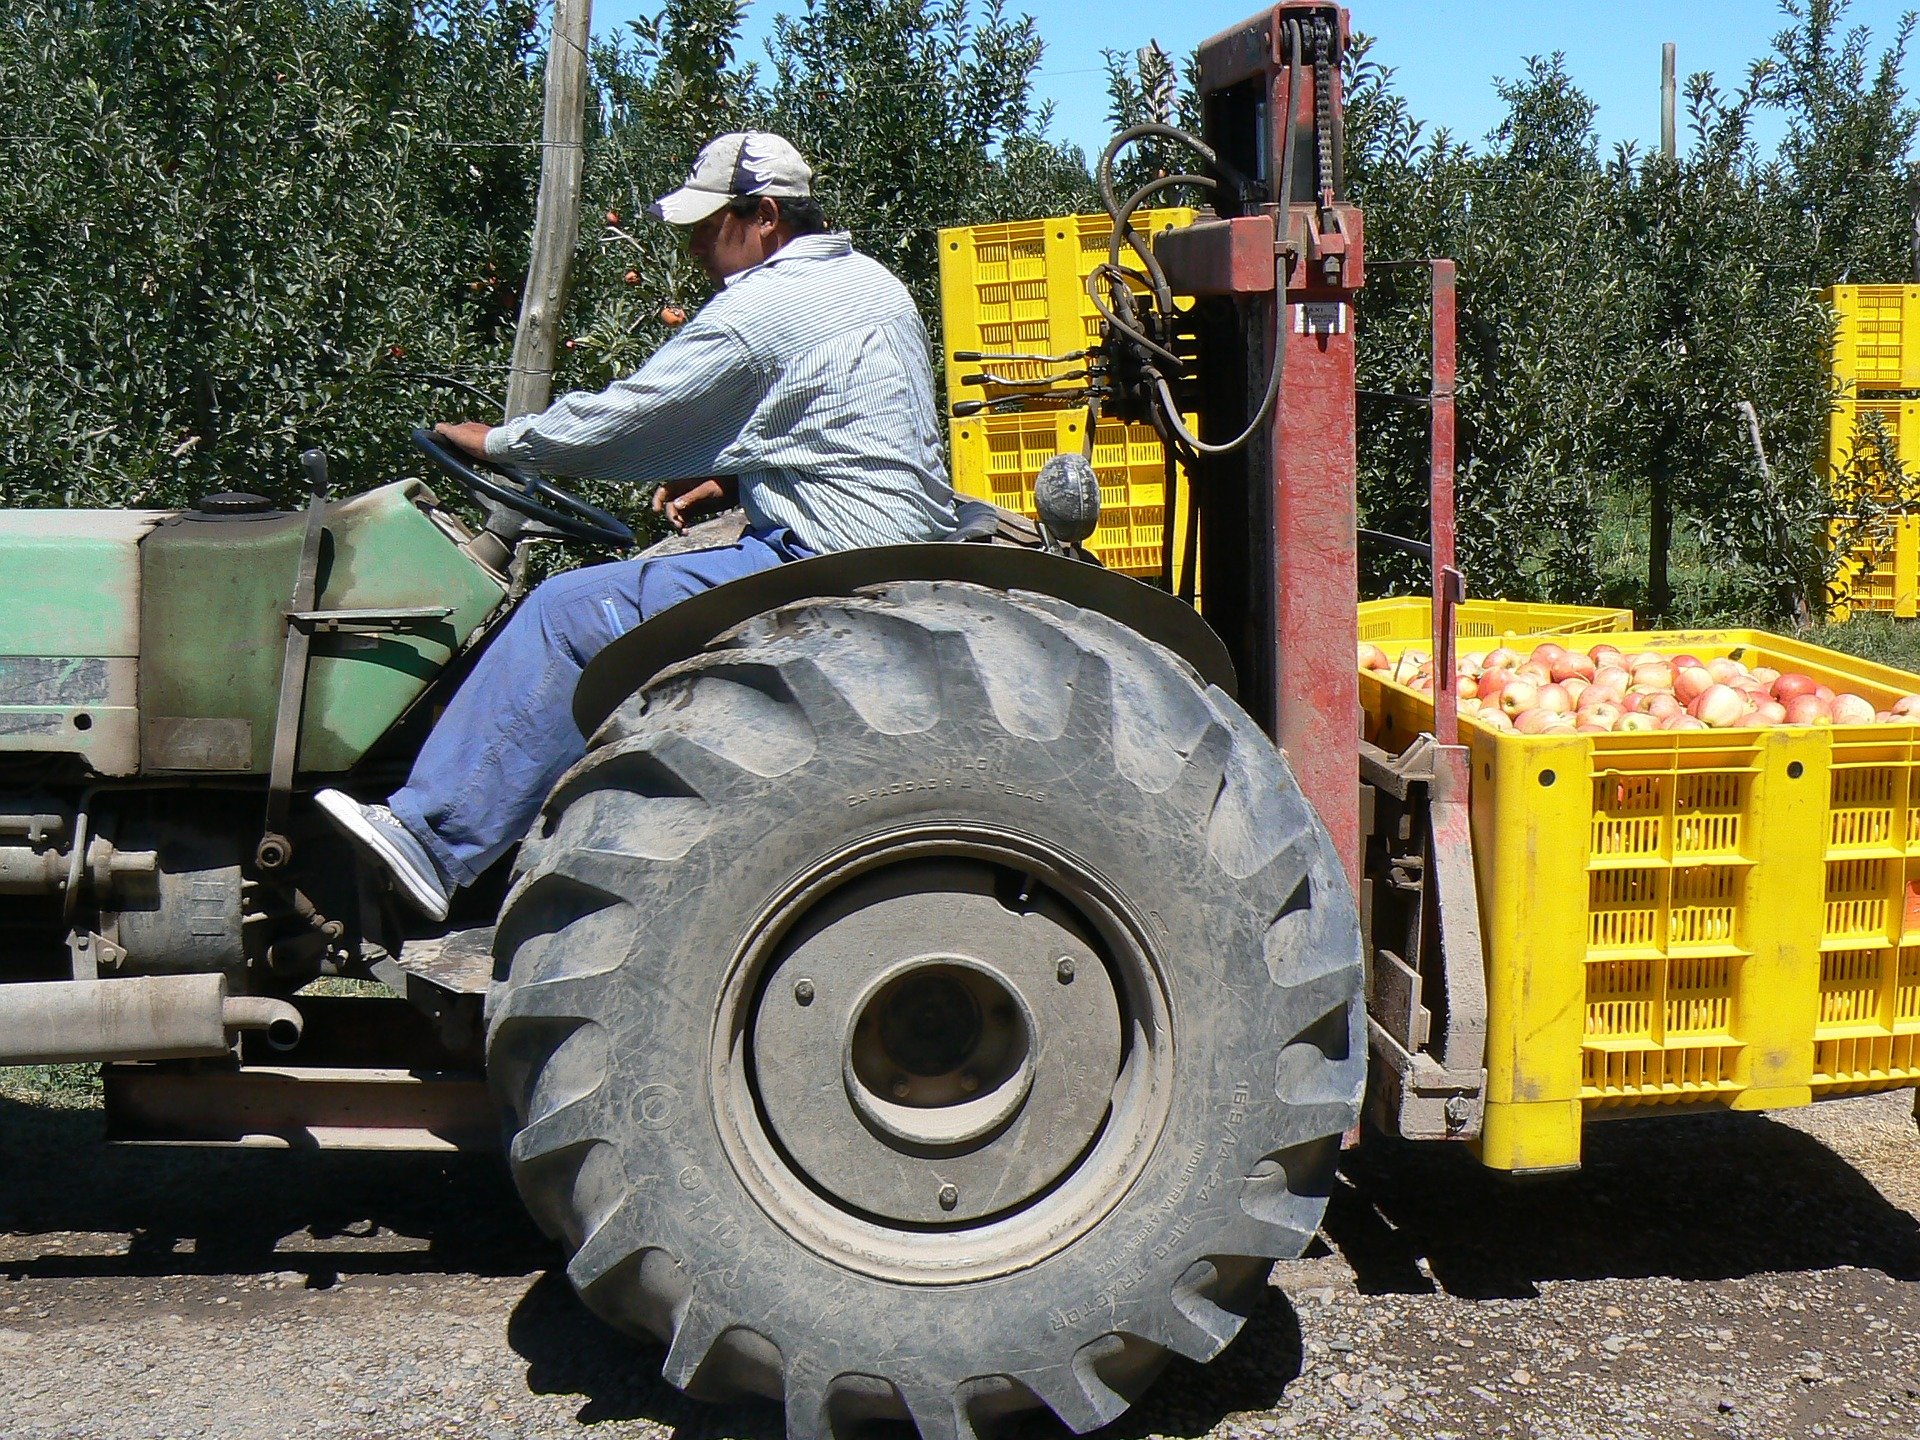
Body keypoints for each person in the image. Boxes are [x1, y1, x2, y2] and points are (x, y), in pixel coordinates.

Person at [316, 131, 958, 921]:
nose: (692, 247)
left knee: (565, 615)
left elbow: (631, 418)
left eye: (705, 226)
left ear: (763, 215)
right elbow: (847, 422)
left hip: (820, 560)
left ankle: (435, 836)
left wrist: (503, 442)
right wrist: (733, 471)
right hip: (881, 548)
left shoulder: (762, 308)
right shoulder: (871, 283)